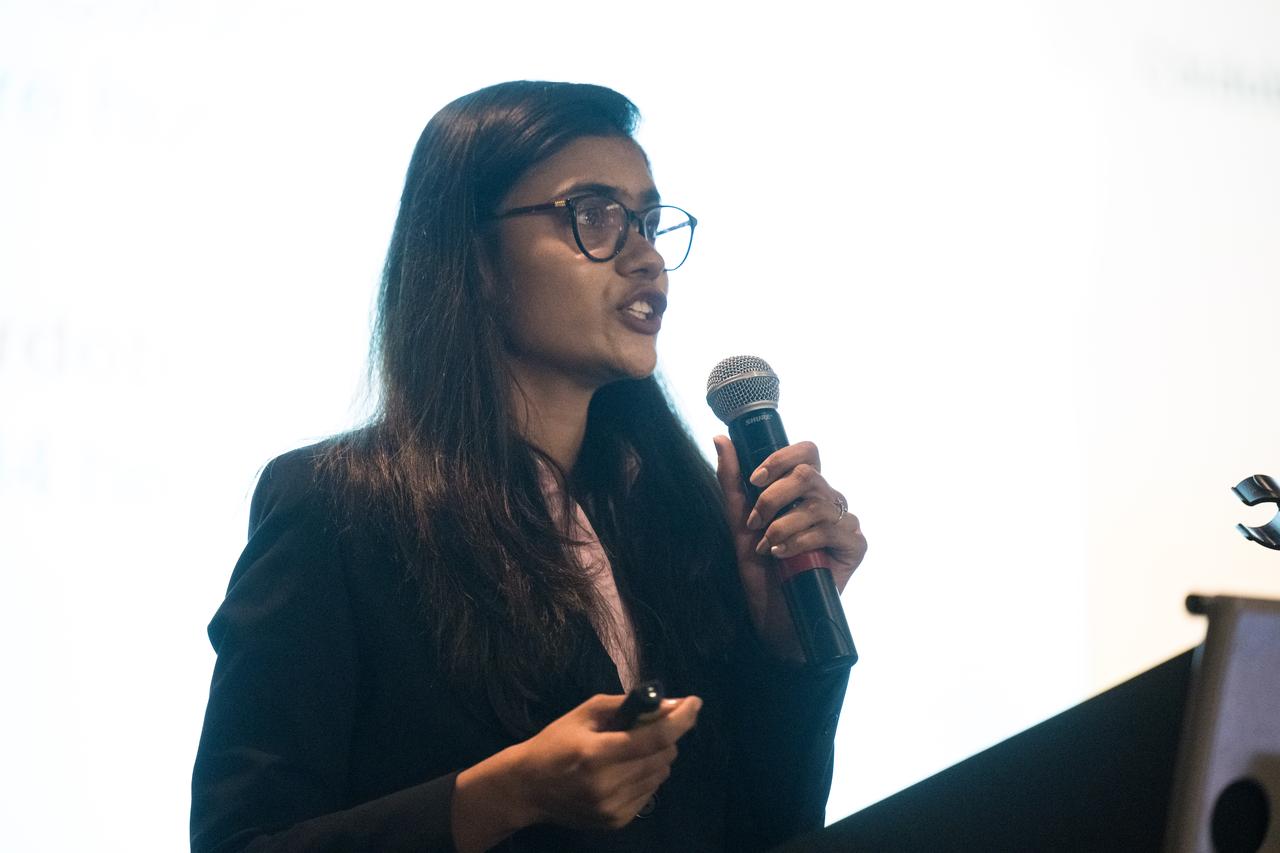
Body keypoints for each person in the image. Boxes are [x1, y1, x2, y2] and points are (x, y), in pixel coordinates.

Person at [190, 80, 867, 853]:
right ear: (474, 260)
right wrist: (501, 794)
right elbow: (240, 842)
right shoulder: (335, 511)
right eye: (595, 215)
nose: (646, 257)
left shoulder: (679, 520)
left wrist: (787, 649)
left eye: (648, 221)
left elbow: (761, 832)